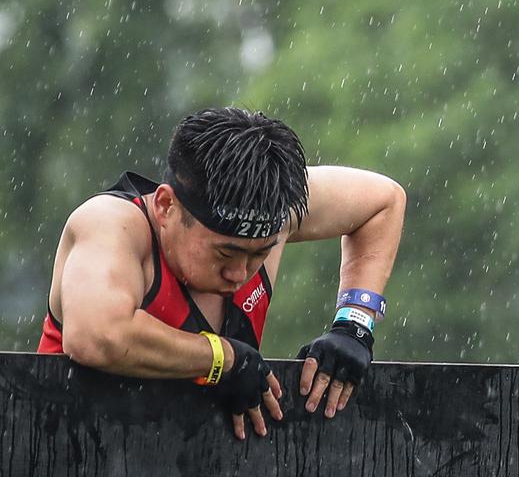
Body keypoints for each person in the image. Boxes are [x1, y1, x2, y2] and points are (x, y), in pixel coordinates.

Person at [39, 107, 407, 440]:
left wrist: (354, 326)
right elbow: (97, 335)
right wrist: (223, 359)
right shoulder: (111, 224)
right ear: (166, 206)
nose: (239, 273)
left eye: (260, 253)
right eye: (225, 252)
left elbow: (384, 201)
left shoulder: (272, 209)